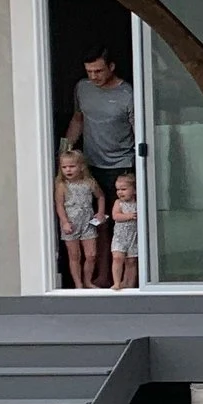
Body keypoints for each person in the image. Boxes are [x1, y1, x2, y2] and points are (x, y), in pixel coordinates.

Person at [66, 47, 135, 284]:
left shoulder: (127, 93)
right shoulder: (82, 88)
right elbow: (78, 119)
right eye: (89, 71)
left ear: (111, 67)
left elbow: (138, 129)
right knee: (98, 222)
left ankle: (128, 278)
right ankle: (104, 276)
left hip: (122, 165)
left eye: (98, 71)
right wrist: (64, 150)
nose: (93, 76)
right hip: (91, 165)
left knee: (124, 221)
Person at [54, 149, 104, 291]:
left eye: (72, 166)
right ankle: (78, 284)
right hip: (71, 223)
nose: (68, 170)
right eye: (64, 167)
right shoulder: (62, 186)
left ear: (81, 166)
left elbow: (100, 196)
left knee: (91, 254)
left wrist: (100, 213)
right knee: (75, 256)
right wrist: (64, 221)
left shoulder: (89, 182)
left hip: (88, 222)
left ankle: (88, 281)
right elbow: (59, 204)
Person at [107, 172, 141, 291]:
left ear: (135, 190)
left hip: (134, 237)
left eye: (124, 189)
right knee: (117, 258)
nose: (120, 192)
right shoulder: (119, 203)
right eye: (118, 189)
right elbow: (115, 216)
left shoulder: (139, 203)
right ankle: (117, 282)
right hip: (120, 237)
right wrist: (129, 216)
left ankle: (129, 283)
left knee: (131, 261)